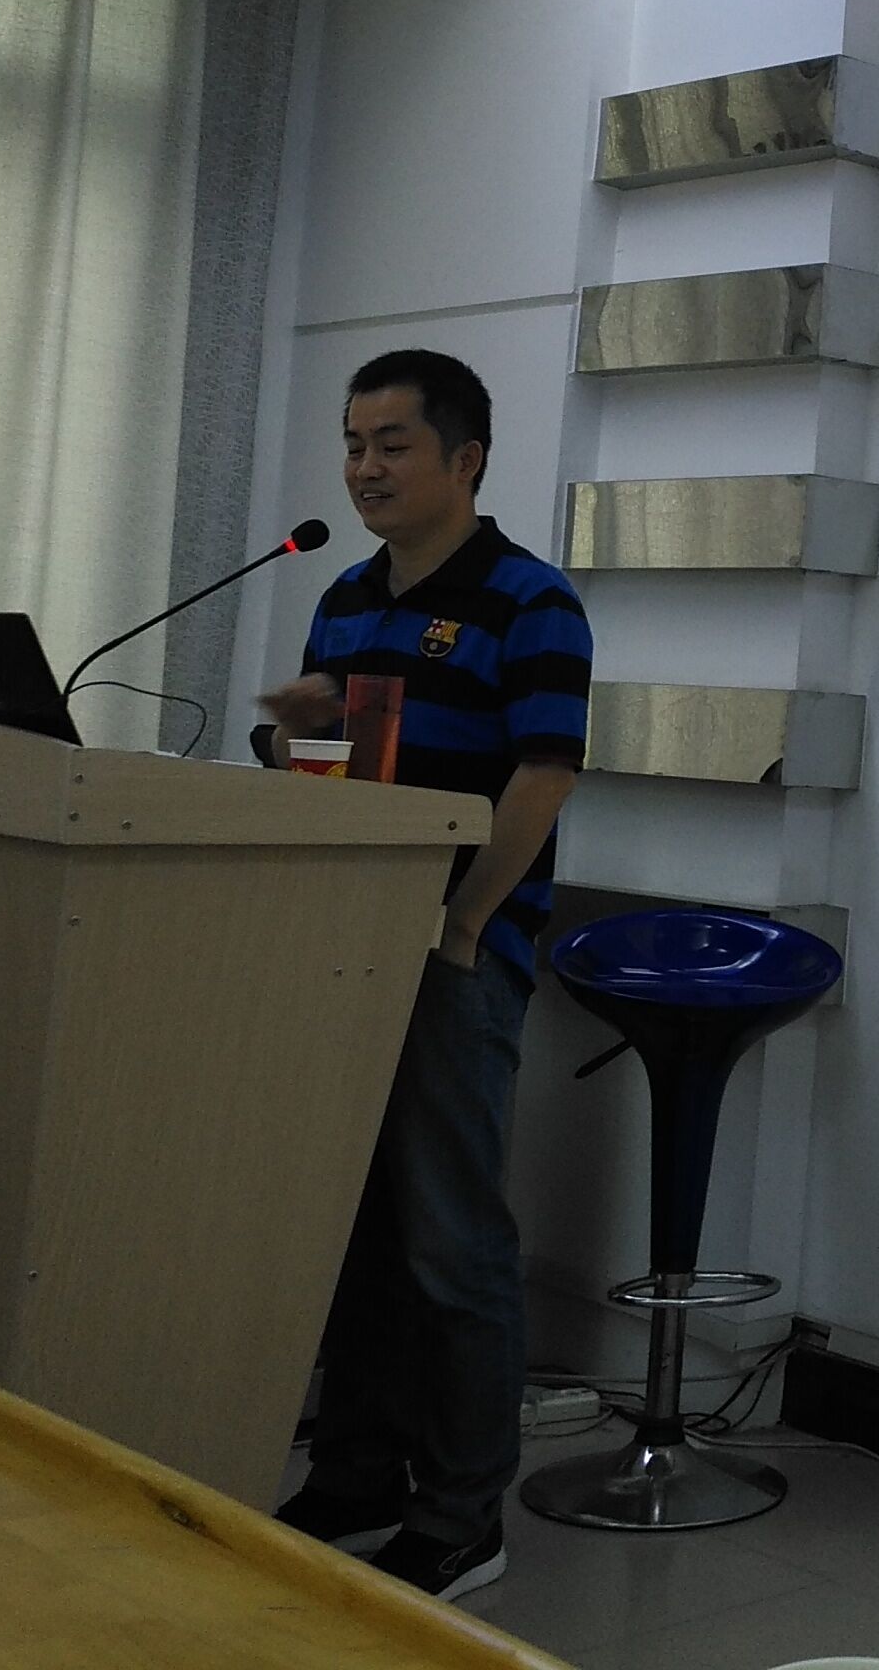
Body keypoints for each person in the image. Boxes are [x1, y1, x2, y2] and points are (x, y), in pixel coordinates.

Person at [263, 350, 590, 1603]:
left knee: (452, 1240)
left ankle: (462, 1515)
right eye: (353, 444)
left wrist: (463, 925)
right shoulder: (345, 598)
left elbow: (543, 776)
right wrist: (297, 736)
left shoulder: (530, 599)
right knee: (354, 1232)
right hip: (347, 949)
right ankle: (357, 1477)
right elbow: (349, 782)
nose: (364, 468)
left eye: (392, 445)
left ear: (466, 458)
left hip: (457, 956)